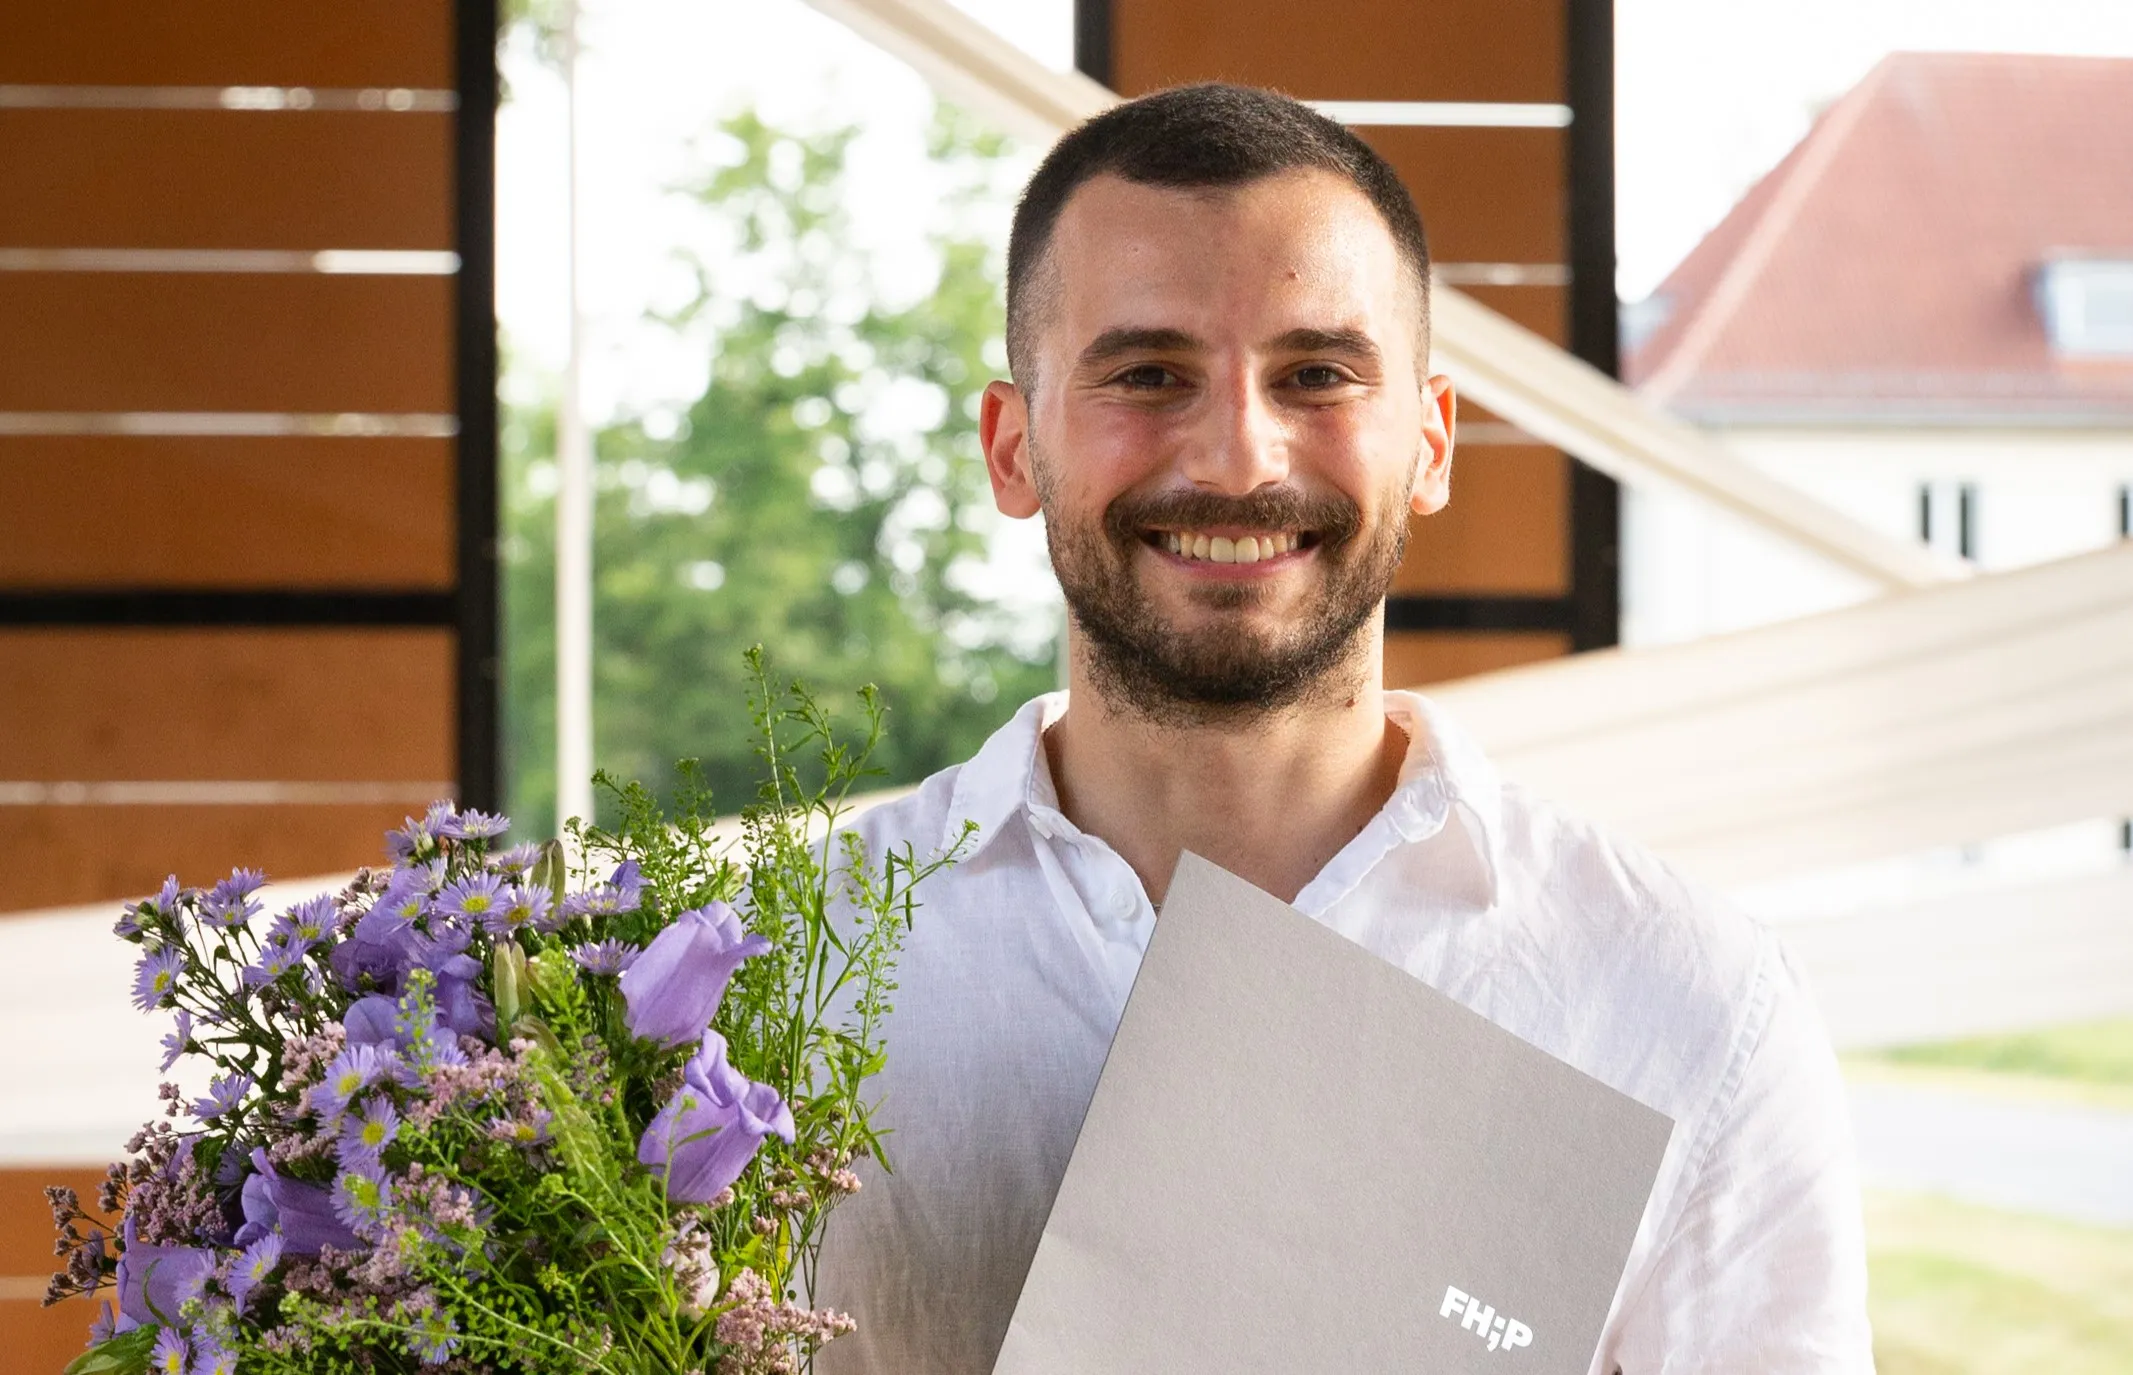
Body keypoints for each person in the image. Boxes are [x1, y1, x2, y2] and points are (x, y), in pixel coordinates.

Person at [813, 82, 1873, 1373]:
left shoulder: (1689, 1004)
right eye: (1147, 373)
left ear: (1428, 442)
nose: (1240, 457)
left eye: (1318, 374)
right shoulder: (782, 975)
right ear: (1012, 446)